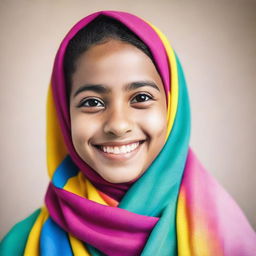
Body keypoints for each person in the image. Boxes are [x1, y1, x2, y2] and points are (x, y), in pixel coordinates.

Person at [0, 10, 255, 256]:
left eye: (141, 97)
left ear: (172, 106)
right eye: (92, 102)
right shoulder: (19, 245)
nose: (118, 125)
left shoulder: (230, 240)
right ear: (64, 115)